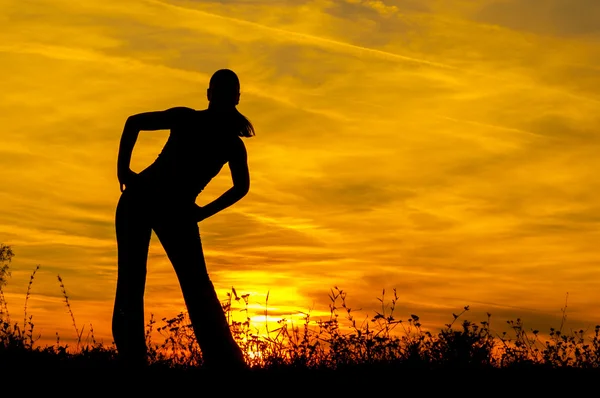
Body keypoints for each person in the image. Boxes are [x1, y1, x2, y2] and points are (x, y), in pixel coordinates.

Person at [113, 69, 254, 369]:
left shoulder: (221, 137)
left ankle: (226, 363)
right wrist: (123, 171)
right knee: (138, 282)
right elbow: (133, 122)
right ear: (235, 98)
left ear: (210, 94)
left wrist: (202, 212)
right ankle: (133, 361)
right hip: (145, 201)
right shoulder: (201, 126)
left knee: (191, 286)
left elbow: (242, 187)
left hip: (167, 208)